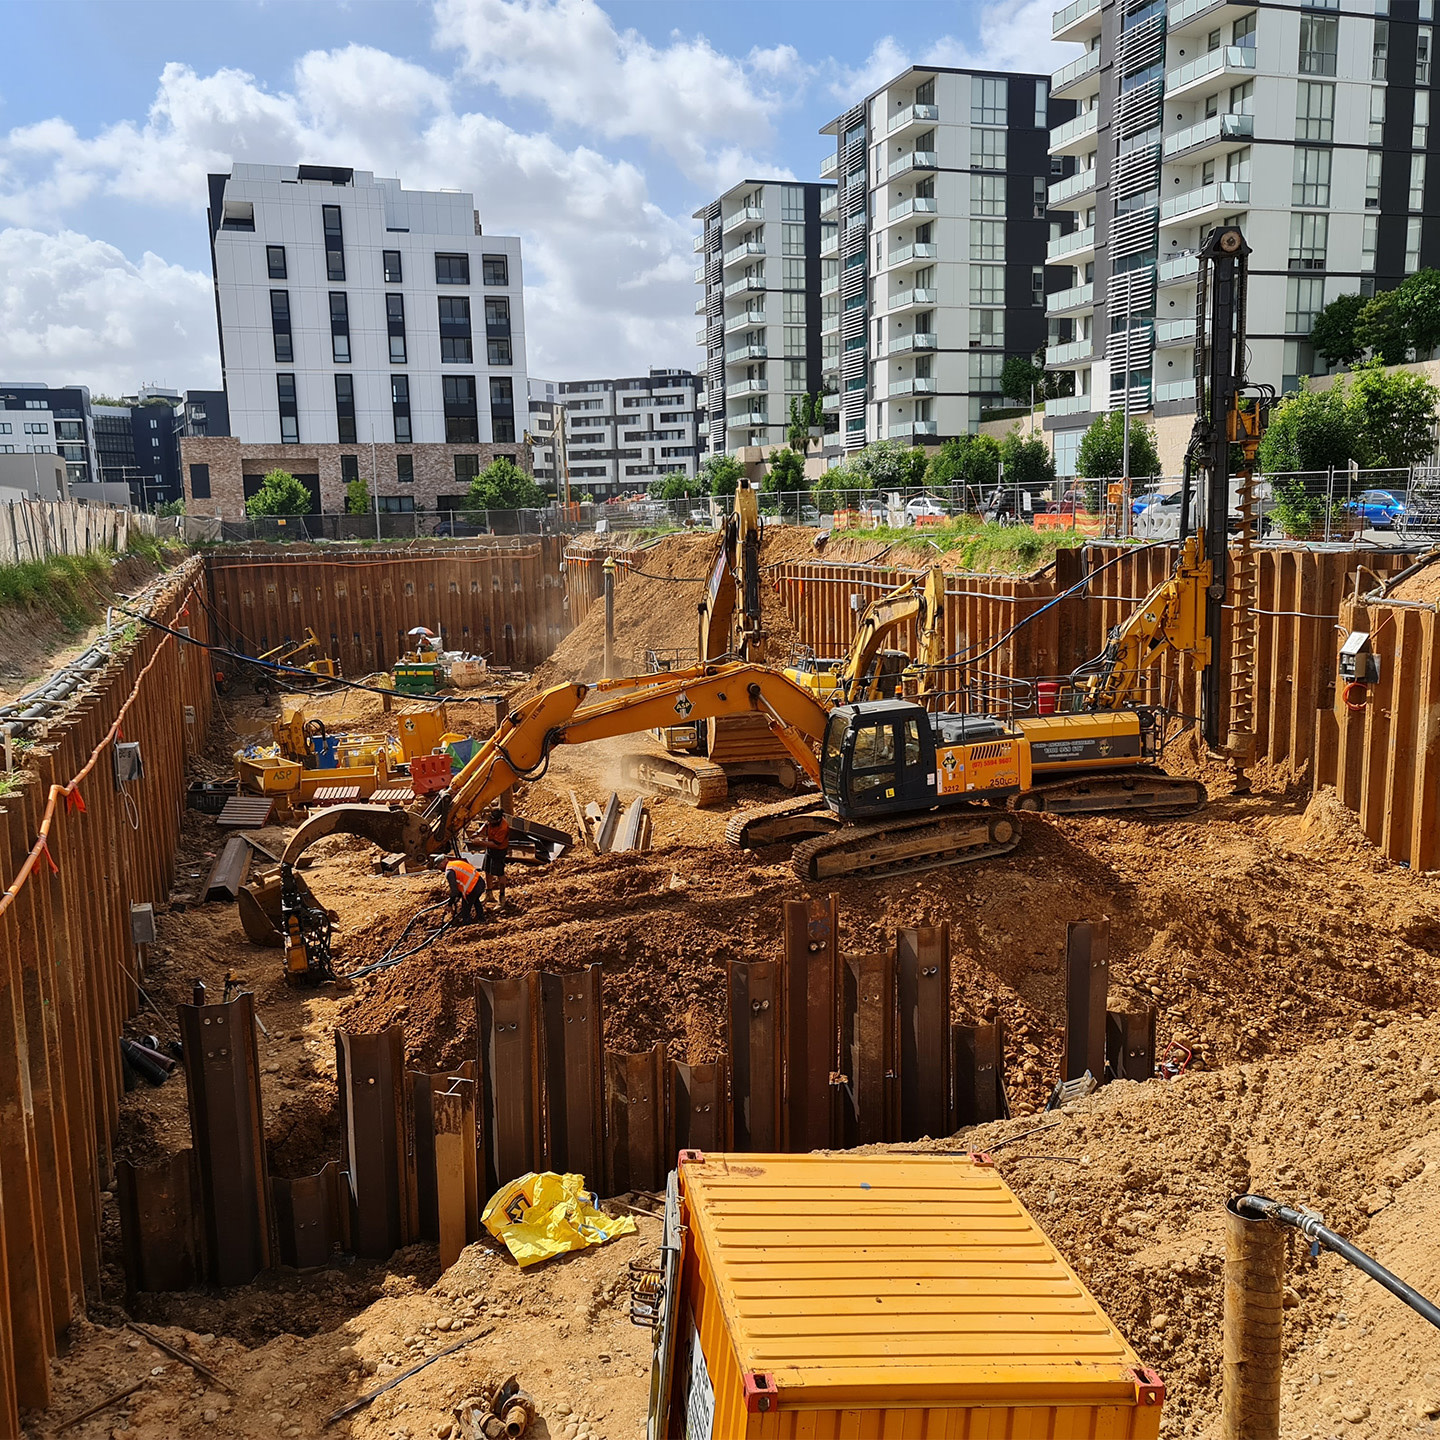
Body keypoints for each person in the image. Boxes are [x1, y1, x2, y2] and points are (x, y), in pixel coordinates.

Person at [478, 807, 512, 908]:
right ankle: (489, 893)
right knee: (487, 870)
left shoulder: (503, 827)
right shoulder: (492, 820)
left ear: (498, 820)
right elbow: (486, 824)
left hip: (499, 850)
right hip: (490, 849)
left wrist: (480, 843)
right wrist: (478, 833)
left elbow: (496, 844)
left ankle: (502, 897)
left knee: (499, 873)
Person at [444, 854, 485, 924]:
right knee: (475, 900)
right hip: (480, 882)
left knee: (465, 909)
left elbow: (454, 891)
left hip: (472, 887)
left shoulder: (449, 871)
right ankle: (481, 918)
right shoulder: (455, 863)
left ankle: (467, 924)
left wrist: (450, 905)